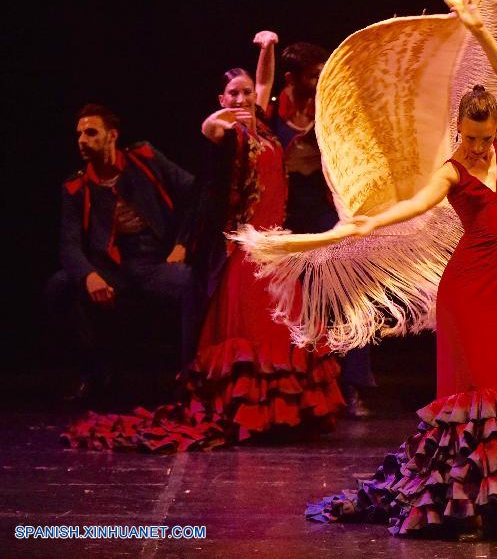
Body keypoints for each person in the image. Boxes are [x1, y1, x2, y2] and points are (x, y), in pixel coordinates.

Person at [302, 2, 497, 537]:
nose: (477, 147)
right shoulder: (452, 171)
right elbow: (416, 204)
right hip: (468, 292)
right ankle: (465, 504)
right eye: (470, 137)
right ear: (458, 129)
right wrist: (364, 225)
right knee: (475, 397)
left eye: (484, 137)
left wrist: (478, 29)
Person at [62, 32, 345, 451]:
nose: (244, 97)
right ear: (222, 96)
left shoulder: (263, 125)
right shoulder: (229, 132)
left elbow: (264, 86)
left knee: (286, 332)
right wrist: (231, 112)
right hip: (246, 245)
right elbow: (208, 124)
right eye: (234, 92)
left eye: (248, 91)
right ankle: (249, 415)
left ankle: (285, 416)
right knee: (252, 334)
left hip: (275, 243)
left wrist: (266, 49)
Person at [47, 104, 194, 399]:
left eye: (91, 133)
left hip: (152, 259)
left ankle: (191, 373)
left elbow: (194, 193)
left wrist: (183, 243)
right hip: (108, 266)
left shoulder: (144, 158)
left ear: (112, 135)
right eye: (79, 135)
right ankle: (95, 373)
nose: (82, 141)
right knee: (60, 285)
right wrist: (89, 276)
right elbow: (69, 244)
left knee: (193, 283)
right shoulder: (76, 186)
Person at [268, 41, 377, 418]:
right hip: (283, 211)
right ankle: (294, 391)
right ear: (290, 79)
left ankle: (354, 385)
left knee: (346, 293)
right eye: (313, 75)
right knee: (289, 301)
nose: (320, 80)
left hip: (323, 206)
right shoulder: (271, 111)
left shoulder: (330, 106)